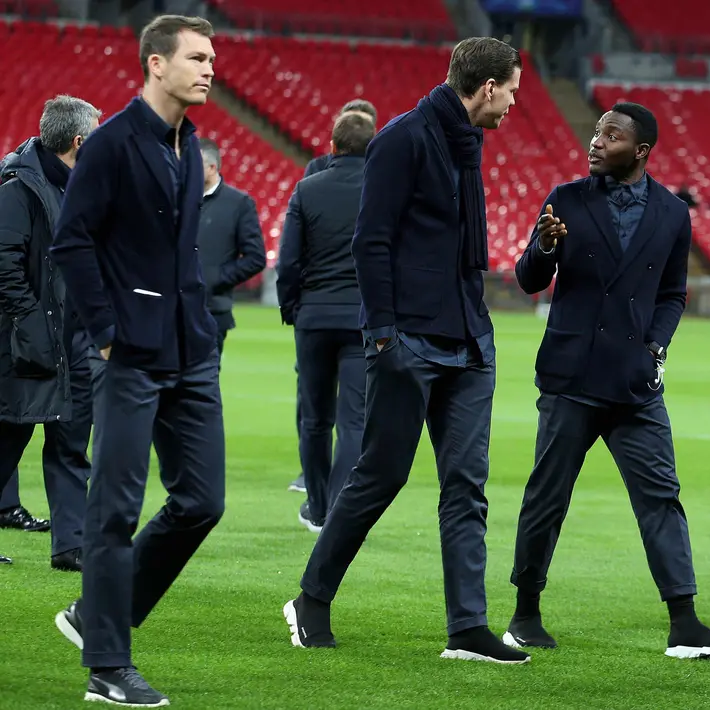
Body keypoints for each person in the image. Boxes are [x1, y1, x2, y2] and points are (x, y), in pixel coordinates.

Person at [281, 36, 530, 665]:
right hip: (409, 338)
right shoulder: (402, 138)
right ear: (489, 87)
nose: (513, 108)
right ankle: (311, 598)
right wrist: (384, 333)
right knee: (380, 476)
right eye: (513, 93)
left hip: (470, 339)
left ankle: (467, 627)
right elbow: (372, 242)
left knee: (467, 485)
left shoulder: (469, 141)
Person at [506, 103, 710, 661]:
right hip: (570, 378)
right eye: (595, 131)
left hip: (635, 385)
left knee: (661, 497)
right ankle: (524, 614)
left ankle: (684, 624)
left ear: (640, 151)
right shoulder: (564, 200)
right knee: (547, 497)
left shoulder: (671, 214)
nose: (595, 141)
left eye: (610, 135)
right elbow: (528, 279)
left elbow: (671, 293)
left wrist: (656, 346)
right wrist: (543, 248)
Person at [48, 15, 224, 707]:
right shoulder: (113, 142)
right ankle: (107, 665)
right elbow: (72, 241)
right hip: (132, 353)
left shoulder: (190, 143)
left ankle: (96, 614)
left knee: (202, 501)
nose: (210, 68)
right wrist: (108, 330)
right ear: (157, 63)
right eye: (198, 57)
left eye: (212, 58)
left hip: (190, 348)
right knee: (114, 508)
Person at [0, 95, 101, 570]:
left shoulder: (83, 187)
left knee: (71, 442)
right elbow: (4, 266)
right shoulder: (18, 185)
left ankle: (71, 546)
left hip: (74, 339)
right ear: (79, 141)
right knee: (8, 439)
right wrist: (32, 323)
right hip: (28, 339)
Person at [275, 112, 373, 533]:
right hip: (361, 319)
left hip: (313, 318)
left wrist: (290, 307)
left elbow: (288, 261)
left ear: (332, 147)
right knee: (354, 421)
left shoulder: (306, 189)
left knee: (315, 419)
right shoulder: (381, 191)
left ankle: (316, 506)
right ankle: (338, 510)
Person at [197, 136, 266, 357]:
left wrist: (215, 277)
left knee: (204, 384)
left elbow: (256, 258)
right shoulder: (177, 198)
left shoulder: (239, 204)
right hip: (171, 310)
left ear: (211, 167)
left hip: (212, 311)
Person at [302, 99, 377, 179]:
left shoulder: (382, 168)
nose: (354, 129)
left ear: (374, 131)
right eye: (348, 122)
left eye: (362, 124)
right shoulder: (316, 166)